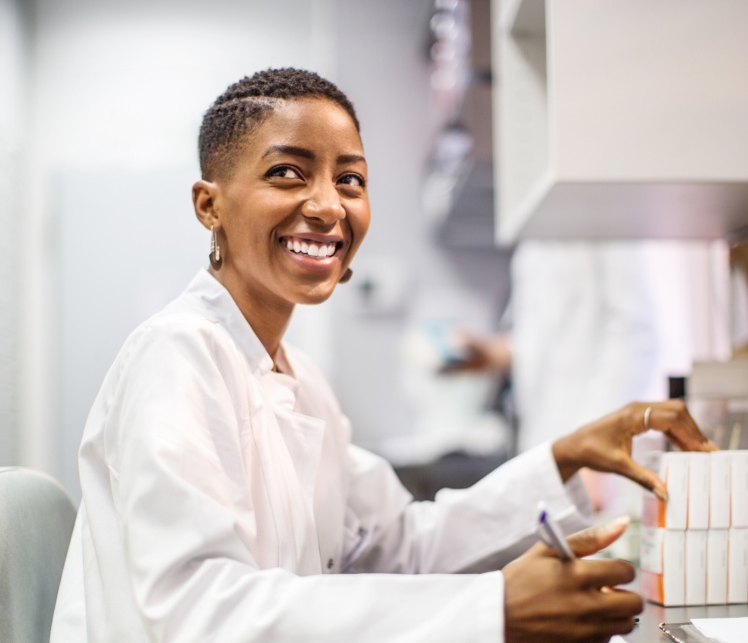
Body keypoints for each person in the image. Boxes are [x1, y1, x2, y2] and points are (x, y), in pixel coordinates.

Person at [49, 68, 714, 643]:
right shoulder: (178, 355)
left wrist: (562, 455)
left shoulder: (297, 378)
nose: (326, 205)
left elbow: (403, 544)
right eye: (288, 173)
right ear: (208, 205)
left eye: (350, 179)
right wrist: (490, 608)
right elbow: (200, 615)